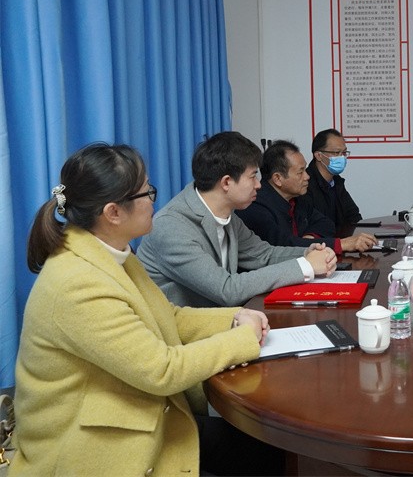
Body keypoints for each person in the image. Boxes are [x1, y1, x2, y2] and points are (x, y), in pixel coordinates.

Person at [11, 143, 283, 476]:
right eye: (147, 192)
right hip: (93, 450)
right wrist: (241, 339)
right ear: (113, 212)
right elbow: (162, 371)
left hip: (139, 417)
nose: (154, 200)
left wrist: (234, 317)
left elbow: (169, 316)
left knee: (267, 449)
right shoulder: (76, 283)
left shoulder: (114, 253)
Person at [138, 131, 337, 307]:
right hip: (182, 332)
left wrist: (307, 253)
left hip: (222, 321)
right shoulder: (171, 226)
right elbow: (226, 290)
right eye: (252, 177)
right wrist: (305, 266)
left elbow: (264, 255)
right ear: (226, 182)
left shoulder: (228, 215)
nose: (258, 185)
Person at [236, 139, 377, 253]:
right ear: (278, 178)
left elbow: (326, 223)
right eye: (300, 172)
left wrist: (310, 238)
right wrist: (341, 244)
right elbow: (285, 246)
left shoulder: (297, 198)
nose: (307, 176)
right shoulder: (255, 206)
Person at [303, 128, 363, 233]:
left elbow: (354, 216)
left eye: (344, 152)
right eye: (336, 152)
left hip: (341, 240)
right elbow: (317, 225)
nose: (342, 157)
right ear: (319, 155)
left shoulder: (337, 182)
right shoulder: (305, 184)